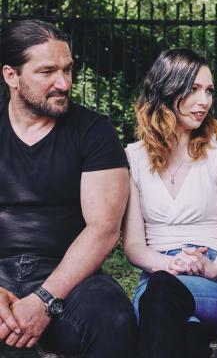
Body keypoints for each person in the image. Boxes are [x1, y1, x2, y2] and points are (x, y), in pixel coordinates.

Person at [0, 19, 137, 357]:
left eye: (67, 70)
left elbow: (104, 230)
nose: (63, 83)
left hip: (69, 276)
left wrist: (44, 299)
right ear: (11, 76)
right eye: (47, 72)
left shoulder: (94, 132)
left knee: (113, 317)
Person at [122, 48, 217, 358]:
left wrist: (211, 268)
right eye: (193, 89)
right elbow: (134, 246)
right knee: (175, 315)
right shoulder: (132, 158)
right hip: (157, 275)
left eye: (209, 90)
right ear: (166, 89)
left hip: (215, 285)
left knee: (162, 298)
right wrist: (170, 264)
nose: (205, 100)